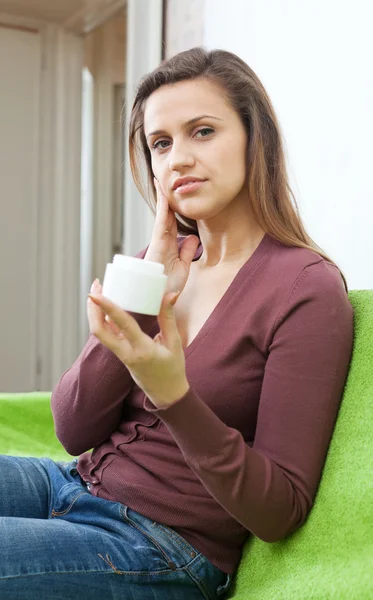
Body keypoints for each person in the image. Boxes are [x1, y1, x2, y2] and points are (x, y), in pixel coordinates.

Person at [0, 47, 353, 600]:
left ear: (254, 138)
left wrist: (175, 395)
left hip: (161, 544)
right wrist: (141, 287)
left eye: (203, 131)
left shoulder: (305, 288)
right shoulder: (164, 259)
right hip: (73, 485)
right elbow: (72, 429)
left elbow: (280, 508)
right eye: (161, 143)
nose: (177, 159)